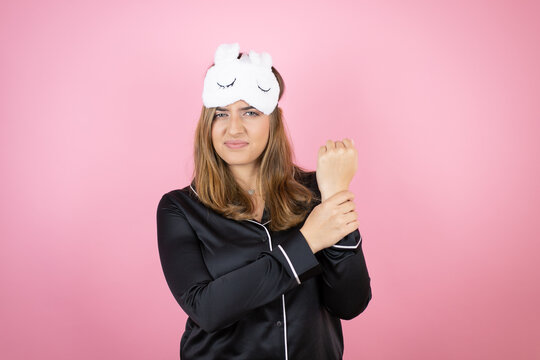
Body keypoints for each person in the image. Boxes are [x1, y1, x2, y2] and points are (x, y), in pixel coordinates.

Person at [156, 43, 372, 360]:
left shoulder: (315, 191)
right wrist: (308, 241)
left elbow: (350, 304)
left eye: (250, 112)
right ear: (207, 125)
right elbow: (208, 309)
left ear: (272, 120)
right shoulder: (180, 209)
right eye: (220, 114)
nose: (234, 128)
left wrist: (335, 195)